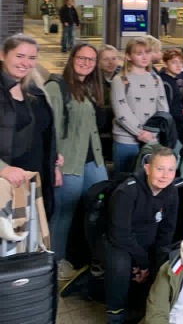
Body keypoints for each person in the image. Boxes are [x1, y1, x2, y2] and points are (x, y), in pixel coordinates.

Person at [45, 43, 108, 281]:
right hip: (68, 161)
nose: (86, 63)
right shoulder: (57, 87)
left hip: (94, 159)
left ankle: (89, 257)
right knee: (64, 214)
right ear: (71, 59)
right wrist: (55, 165)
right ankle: (55, 261)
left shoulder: (90, 87)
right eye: (81, 58)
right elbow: (51, 130)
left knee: (98, 207)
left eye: (91, 60)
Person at [106, 146, 179, 324]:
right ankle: (116, 316)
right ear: (147, 168)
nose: (165, 175)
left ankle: (152, 310)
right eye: (159, 169)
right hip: (118, 242)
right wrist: (144, 263)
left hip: (147, 242)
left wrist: (156, 259)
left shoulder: (171, 191)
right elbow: (120, 235)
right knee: (121, 265)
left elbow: (167, 230)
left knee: (166, 260)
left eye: (170, 170)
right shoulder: (127, 192)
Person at [0, 34, 58, 220]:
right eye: (19, 56)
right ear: (2, 55)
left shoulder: (35, 92)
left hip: (34, 182)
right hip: (6, 184)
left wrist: (54, 159)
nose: (25, 62)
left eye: (31, 58)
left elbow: (42, 133)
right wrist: (3, 168)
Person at [111, 37, 170, 174]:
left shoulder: (156, 79)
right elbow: (121, 111)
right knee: (125, 179)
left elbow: (163, 109)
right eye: (139, 53)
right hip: (126, 139)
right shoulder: (120, 80)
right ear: (128, 56)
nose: (144, 57)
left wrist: (152, 131)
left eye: (147, 53)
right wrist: (140, 133)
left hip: (152, 138)